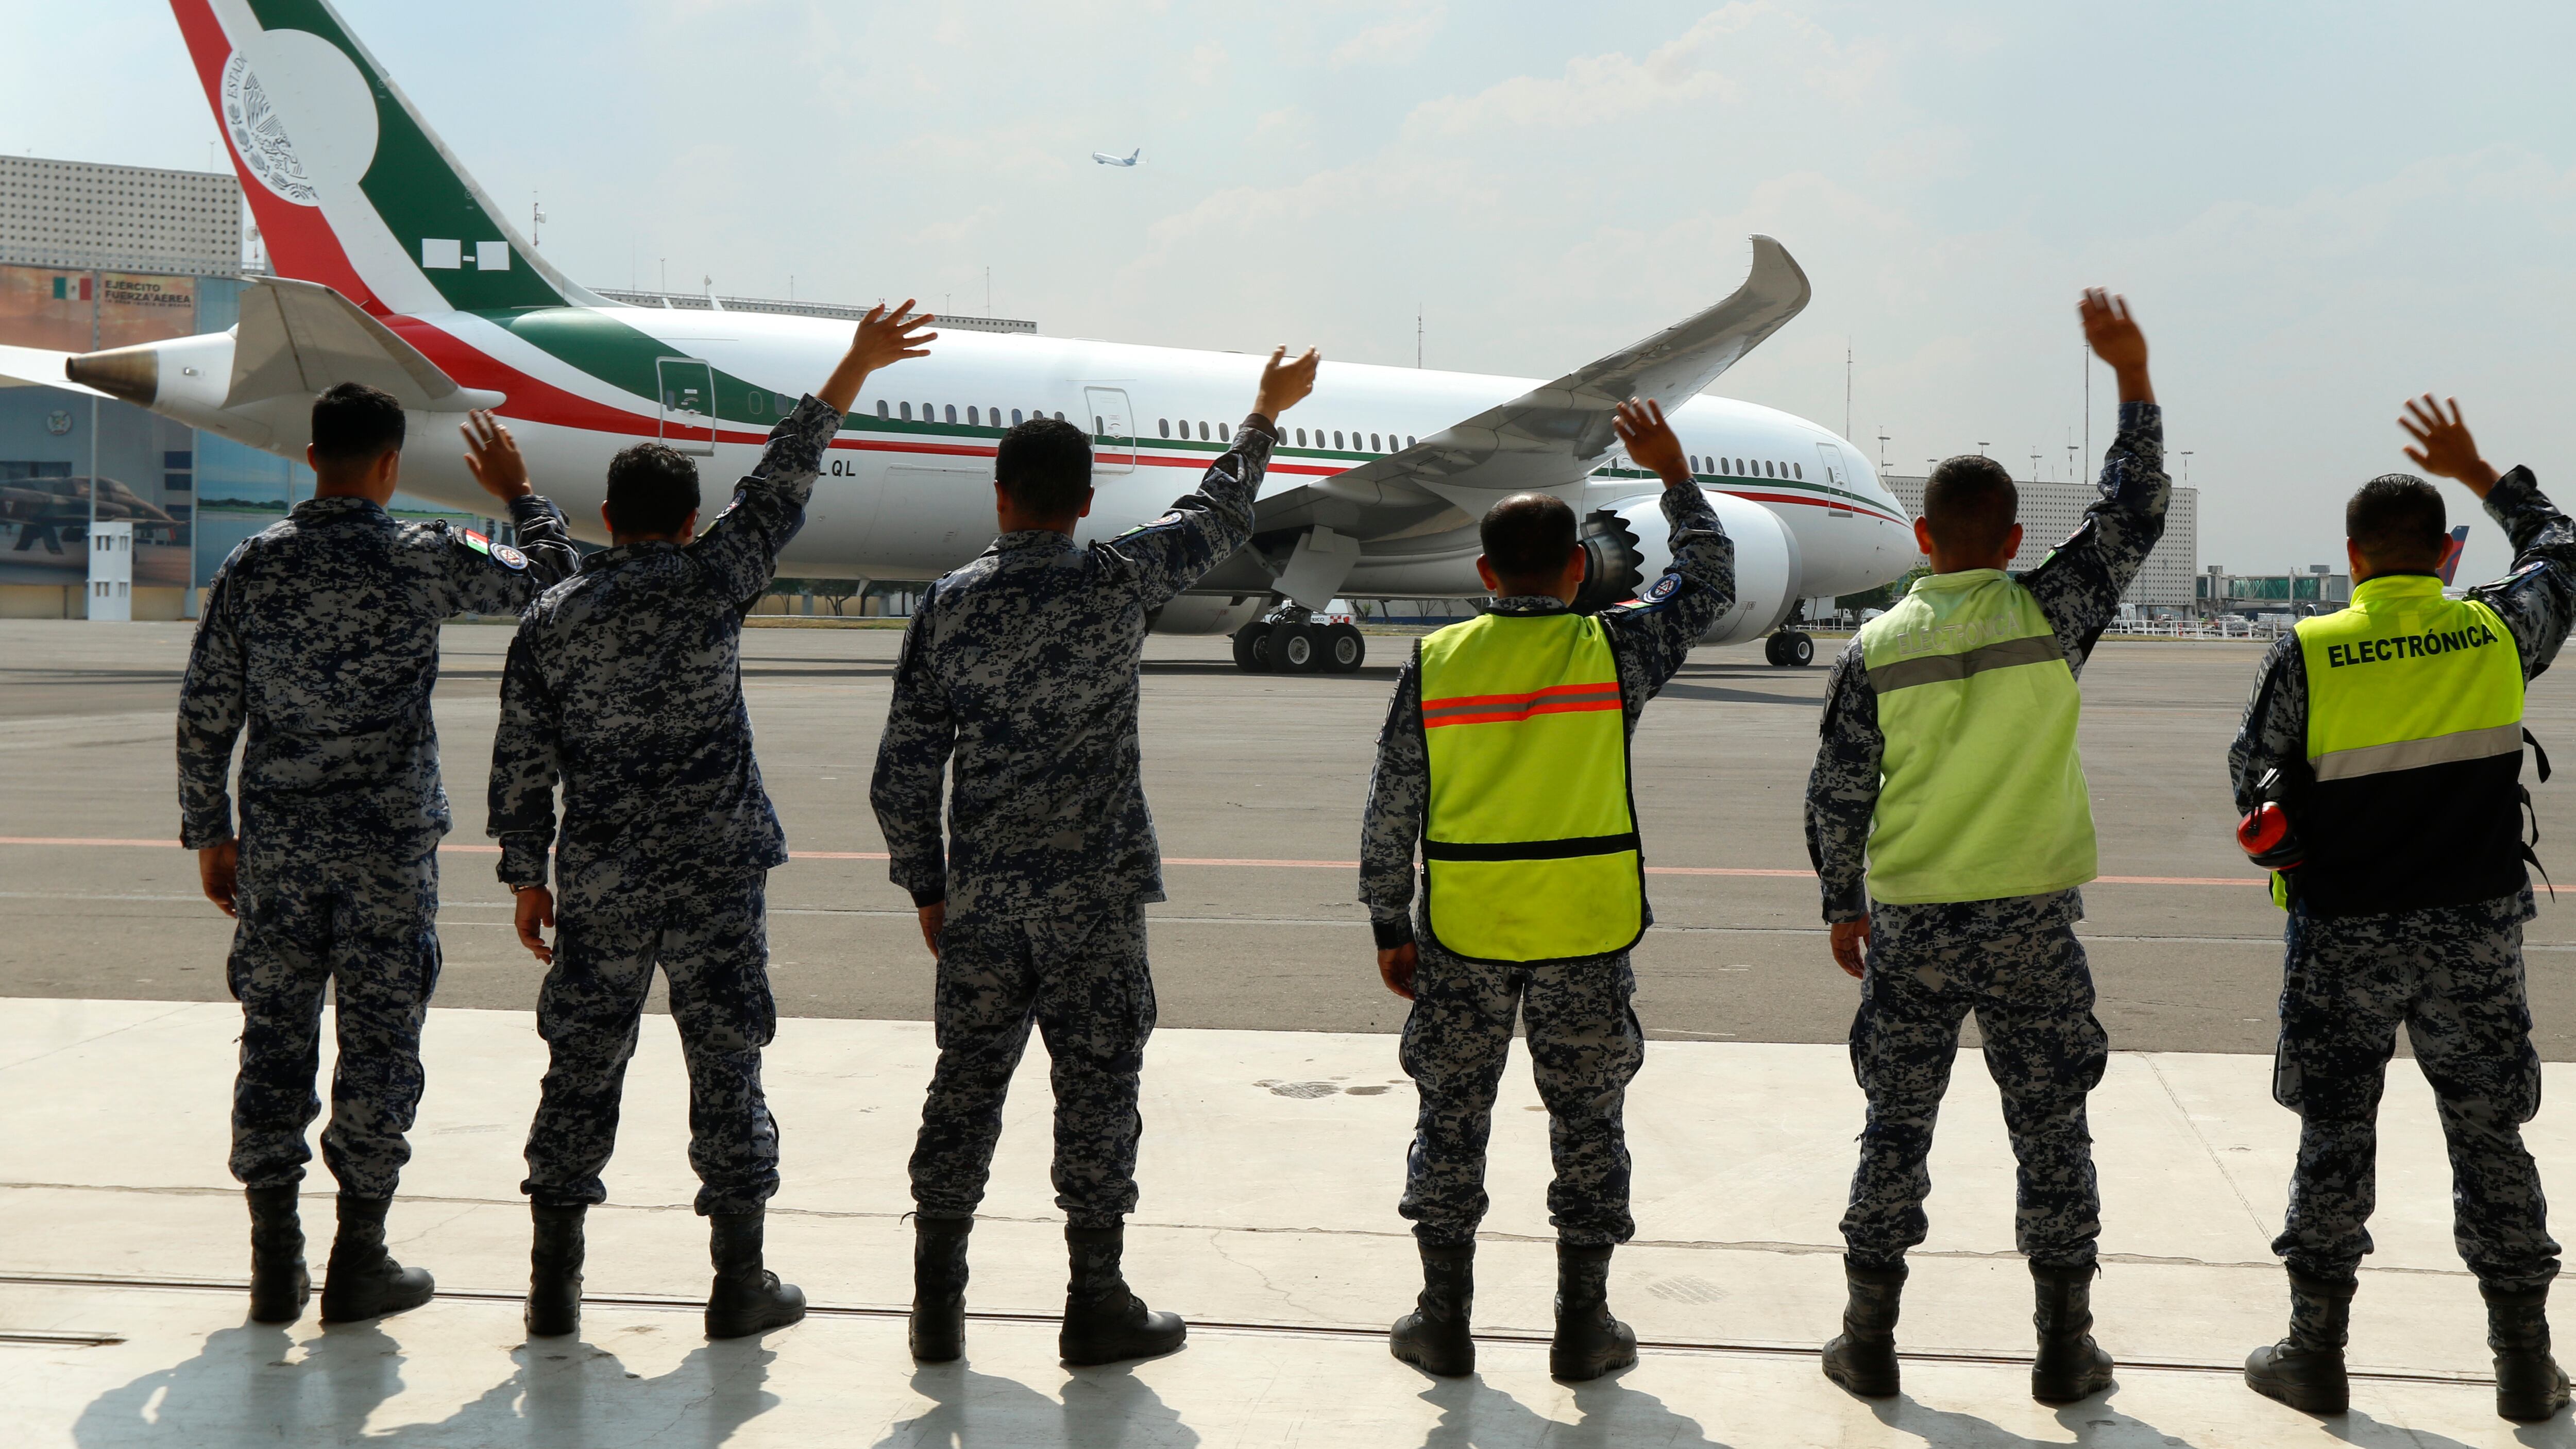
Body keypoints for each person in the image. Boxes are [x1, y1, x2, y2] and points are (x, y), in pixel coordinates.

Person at [489, 305, 936, 1341]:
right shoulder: (713, 580)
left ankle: (553, 1289)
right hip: (716, 873)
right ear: (691, 522)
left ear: (610, 515)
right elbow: (782, 479)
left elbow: (522, 761)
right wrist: (853, 366)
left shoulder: (555, 617)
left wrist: (526, 875)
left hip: (602, 875)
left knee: (580, 1067)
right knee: (728, 1063)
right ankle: (740, 1282)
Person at [871, 344, 1319, 1368]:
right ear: (1083, 505)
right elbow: (1219, 514)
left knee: (964, 1089)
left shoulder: (949, 604)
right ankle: (1095, 1301)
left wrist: (930, 887)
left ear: (999, 495)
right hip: (1095, 895)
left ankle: (936, 1309)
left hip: (985, 898)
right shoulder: (1117, 580)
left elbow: (902, 770)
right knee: (1099, 1090)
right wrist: (1262, 412)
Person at [1802, 291, 2164, 1406]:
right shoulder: (2046, 612)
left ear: (1921, 540)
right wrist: (2132, 379)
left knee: (1894, 1128)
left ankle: (1868, 1341)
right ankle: (2064, 1349)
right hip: (2030, 924)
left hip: (1912, 923)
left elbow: (1837, 794)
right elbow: (2131, 512)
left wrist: (1843, 905)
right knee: (2052, 1131)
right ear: (2012, 542)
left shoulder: (1874, 647)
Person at [178, 384, 578, 1325]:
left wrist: (210, 832)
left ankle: (274, 1261)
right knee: (382, 1040)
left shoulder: (252, 564)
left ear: (313, 455)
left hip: (279, 848)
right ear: (392, 463)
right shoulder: (420, 554)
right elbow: (553, 580)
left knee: (274, 1036)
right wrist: (519, 493)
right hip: (387, 853)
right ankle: (360, 1254)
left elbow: (205, 712)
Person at [1358, 398, 1735, 1383]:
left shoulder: (1437, 662)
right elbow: (1709, 581)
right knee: (1588, 1124)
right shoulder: (1615, 651)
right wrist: (1675, 476)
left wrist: (1390, 922)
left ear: (1484, 573)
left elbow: (1393, 802)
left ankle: (1443, 1321)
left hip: (1465, 930)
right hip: (1586, 928)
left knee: (1452, 1119)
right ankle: (1583, 1325)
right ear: (1579, 568)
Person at [2231, 398, 2576, 1423]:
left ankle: (2314, 1353)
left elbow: (2253, 783)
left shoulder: (2306, 649)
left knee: (2334, 1138)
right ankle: (2525, 1366)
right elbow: (2564, 553)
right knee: (2490, 1138)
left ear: (2352, 557)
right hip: (2472, 934)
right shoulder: (2493, 631)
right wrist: (2485, 474)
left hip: (2341, 934)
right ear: (2443, 554)